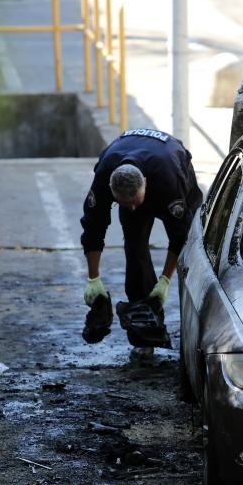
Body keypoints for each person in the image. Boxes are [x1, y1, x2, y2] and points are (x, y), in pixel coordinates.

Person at [79, 128, 202, 346]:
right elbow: (93, 227)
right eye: (125, 205)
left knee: (192, 246)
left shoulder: (169, 182)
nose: (133, 209)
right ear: (111, 188)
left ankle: (194, 331)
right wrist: (93, 279)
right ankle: (144, 334)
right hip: (134, 167)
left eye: (135, 202)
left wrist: (164, 281)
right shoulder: (104, 175)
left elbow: (179, 236)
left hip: (173, 167)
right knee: (135, 250)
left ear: (145, 182)